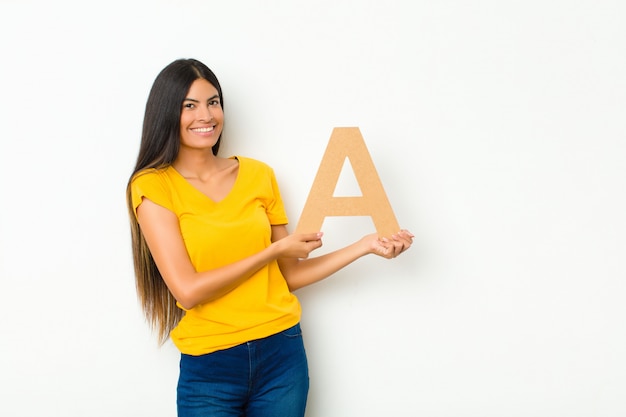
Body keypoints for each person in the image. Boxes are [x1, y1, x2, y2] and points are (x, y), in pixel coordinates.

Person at [126, 58, 414, 417]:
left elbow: (288, 275)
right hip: (210, 367)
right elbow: (187, 290)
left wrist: (364, 245)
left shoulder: (259, 175)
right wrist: (271, 252)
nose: (206, 115)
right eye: (190, 105)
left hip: (282, 354)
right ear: (167, 113)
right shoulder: (153, 186)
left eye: (213, 102)